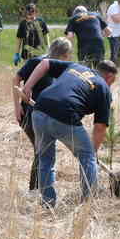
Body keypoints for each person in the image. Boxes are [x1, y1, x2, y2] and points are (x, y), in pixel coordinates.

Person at [22, 58, 118, 208]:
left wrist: (28, 86)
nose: (111, 85)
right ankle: (88, 205)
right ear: (110, 77)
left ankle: (48, 203)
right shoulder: (103, 88)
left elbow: (45, 63)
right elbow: (100, 128)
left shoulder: (75, 67)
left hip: (39, 110)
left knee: (45, 158)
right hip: (65, 115)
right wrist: (93, 153)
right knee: (87, 157)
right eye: (113, 82)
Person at [12, 37, 73, 191]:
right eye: (68, 55)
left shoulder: (60, 69)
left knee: (41, 151)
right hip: (29, 114)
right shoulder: (36, 63)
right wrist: (17, 106)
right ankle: (35, 190)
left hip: (45, 116)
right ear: (64, 54)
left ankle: (37, 190)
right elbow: (16, 79)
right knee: (42, 151)